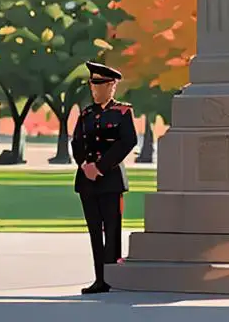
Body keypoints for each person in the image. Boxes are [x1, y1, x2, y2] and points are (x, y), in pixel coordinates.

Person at [71, 62, 137, 294]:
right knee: (94, 230)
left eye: (99, 85)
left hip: (109, 179)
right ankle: (99, 278)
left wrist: (100, 167)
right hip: (87, 180)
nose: (95, 90)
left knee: (112, 229)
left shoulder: (122, 112)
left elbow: (127, 142)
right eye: (92, 85)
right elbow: (77, 142)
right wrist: (84, 165)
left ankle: (112, 276)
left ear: (112, 86)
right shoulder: (86, 114)